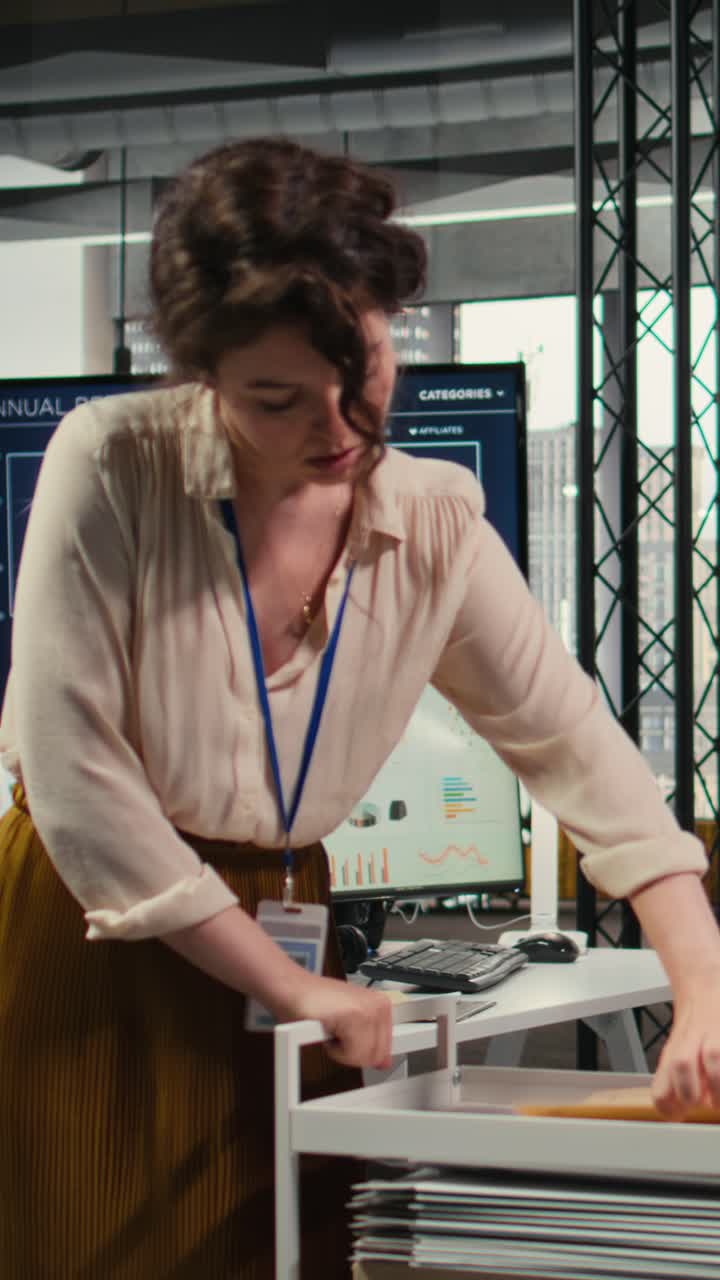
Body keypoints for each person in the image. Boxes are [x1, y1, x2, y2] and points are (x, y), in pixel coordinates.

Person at [0, 136, 719, 1279]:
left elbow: (577, 746)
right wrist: (289, 981)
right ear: (203, 375)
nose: (339, 429)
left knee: (300, 1246)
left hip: (294, 908)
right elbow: (77, 779)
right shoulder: (115, 466)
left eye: (365, 371)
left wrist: (704, 982)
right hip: (103, 930)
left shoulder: (431, 520)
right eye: (277, 399)